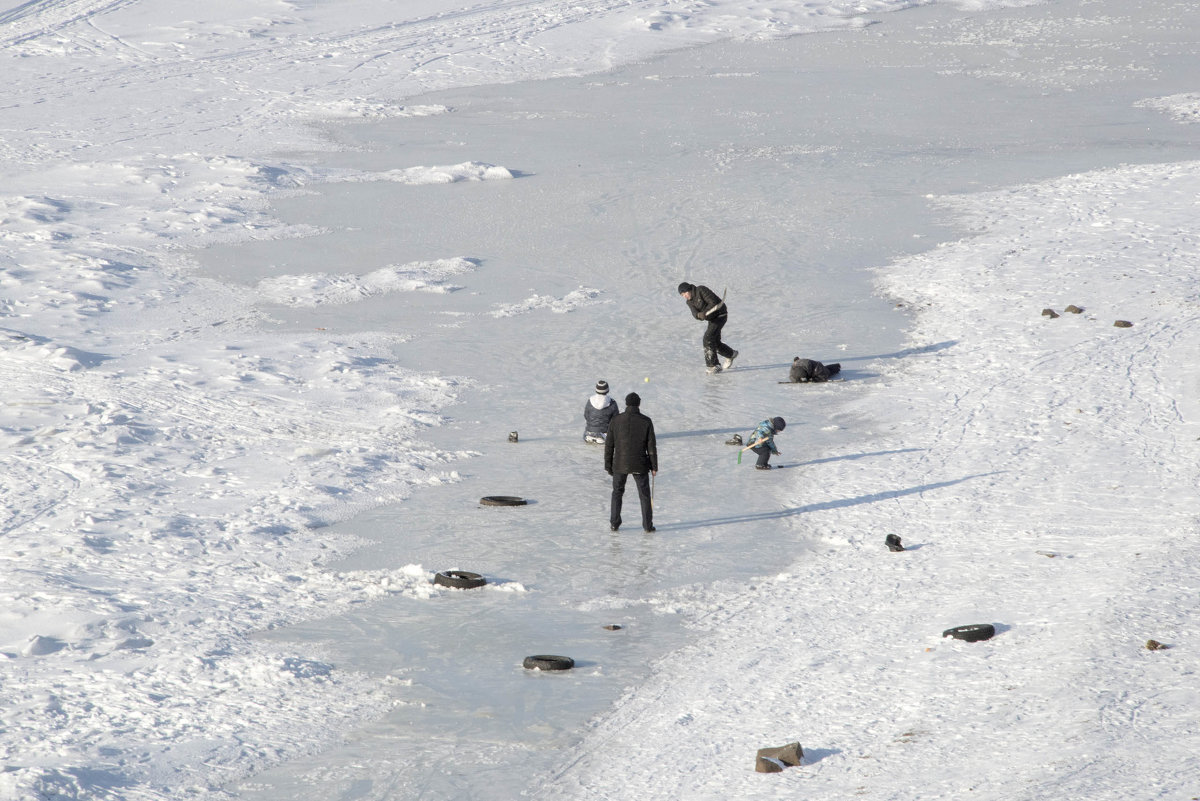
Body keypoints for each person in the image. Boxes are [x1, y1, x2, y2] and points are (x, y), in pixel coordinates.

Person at [604, 392, 658, 532]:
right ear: (638, 404)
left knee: (617, 492)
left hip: (619, 464)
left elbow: (609, 445)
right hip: (640, 464)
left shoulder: (616, 420)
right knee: (644, 495)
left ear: (626, 404)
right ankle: (647, 525)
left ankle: (614, 523)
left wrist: (608, 465)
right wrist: (654, 466)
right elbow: (651, 446)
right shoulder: (646, 421)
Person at [678, 282, 738, 374]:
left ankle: (714, 365)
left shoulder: (701, 290)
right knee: (714, 342)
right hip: (712, 319)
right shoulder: (689, 302)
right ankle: (731, 354)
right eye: (682, 295)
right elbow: (694, 313)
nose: (684, 296)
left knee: (708, 338)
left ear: (689, 289)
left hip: (720, 314)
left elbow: (713, 302)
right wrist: (699, 315)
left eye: (685, 293)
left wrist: (704, 312)